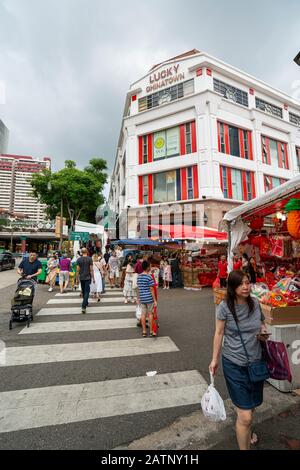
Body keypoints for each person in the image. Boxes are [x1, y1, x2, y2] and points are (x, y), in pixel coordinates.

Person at [209, 270, 270, 450]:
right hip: (234, 364)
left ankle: (246, 430)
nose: (245, 287)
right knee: (246, 416)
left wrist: (263, 333)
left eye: (248, 282)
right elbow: (219, 333)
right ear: (233, 286)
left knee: (251, 408)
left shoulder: (255, 304)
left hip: (255, 363)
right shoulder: (225, 307)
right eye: (241, 283)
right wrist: (214, 359)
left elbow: (261, 325)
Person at [137, 260, 158, 337]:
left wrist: (138, 298)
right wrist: (155, 300)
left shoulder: (139, 276)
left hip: (142, 298)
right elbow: (152, 289)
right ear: (147, 268)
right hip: (149, 298)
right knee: (150, 314)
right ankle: (151, 331)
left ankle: (144, 331)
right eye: (149, 266)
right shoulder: (149, 277)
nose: (150, 267)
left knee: (143, 314)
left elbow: (139, 288)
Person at [76, 248, 95, 314]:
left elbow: (77, 270)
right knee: (87, 292)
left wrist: (76, 279)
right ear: (87, 252)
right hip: (88, 277)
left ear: (81, 252)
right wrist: (93, 278)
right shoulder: (89, 259)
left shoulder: (78, 259)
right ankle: (83, 306)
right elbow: (91, 269)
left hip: (81, 277)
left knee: (84, 291)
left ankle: (85, 302)